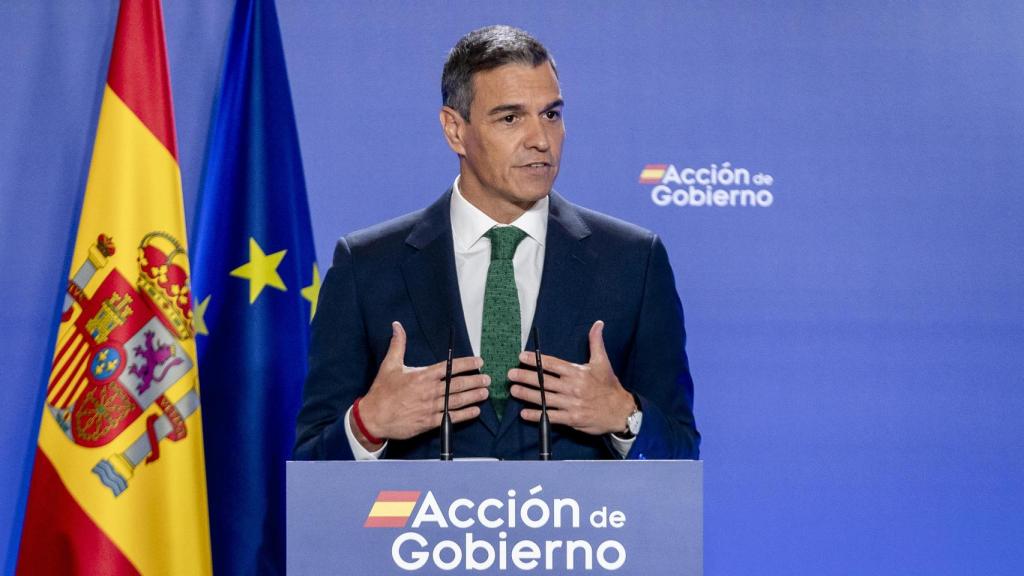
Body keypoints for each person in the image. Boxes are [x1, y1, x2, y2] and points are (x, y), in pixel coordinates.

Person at [294, 25, 699, 461]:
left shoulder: (633, 262)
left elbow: (679, 451)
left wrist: (625, 417)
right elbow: (311, 467)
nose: (540, 140)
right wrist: (367, 424)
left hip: (573, 530)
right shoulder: (367, 265)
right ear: (454, 130)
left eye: (551, 115)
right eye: (510, 118)